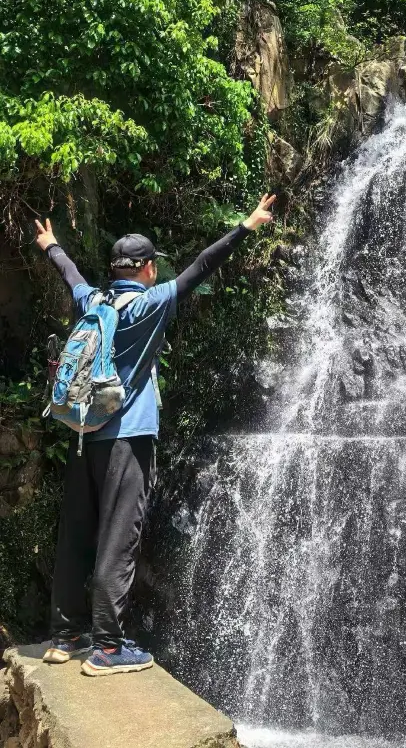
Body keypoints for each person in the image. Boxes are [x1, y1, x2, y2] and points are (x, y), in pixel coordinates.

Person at [35, 194, 276, 676]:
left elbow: (72, 277)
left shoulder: (94, 300)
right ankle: (107, 646)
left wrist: (51, 245)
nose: (157, 273)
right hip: (128, 434)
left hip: (82, 432)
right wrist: (246, 226)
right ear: (145, 268)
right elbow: (201, 267)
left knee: (77, 533)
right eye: (154, 266)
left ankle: (65, 635)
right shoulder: (152, 302)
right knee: (117, 538)